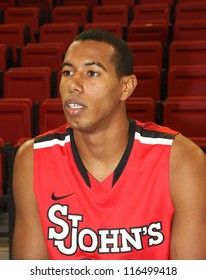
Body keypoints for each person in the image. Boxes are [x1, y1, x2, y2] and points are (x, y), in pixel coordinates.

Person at [12, 29, 206, 260]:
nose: (73, 85)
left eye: (92, 73)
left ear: (126, 87)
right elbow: (30, 272)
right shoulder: (33, 158)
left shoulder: (181, 159)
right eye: (67, 72)